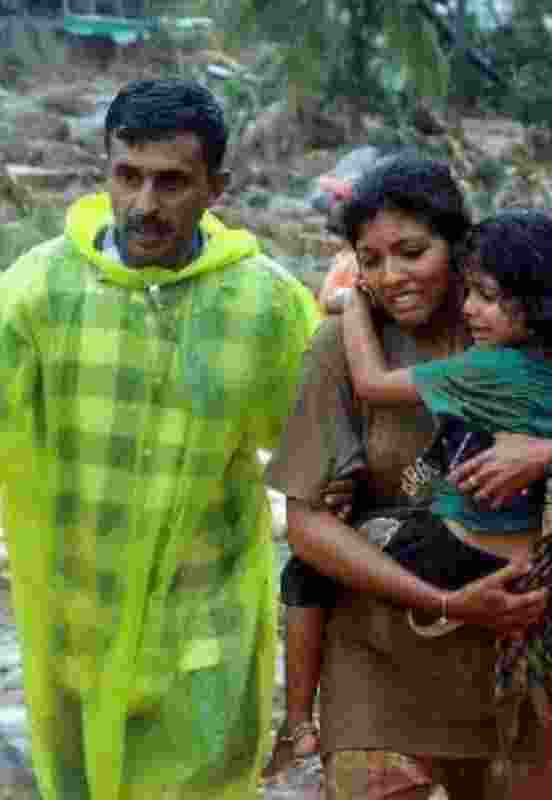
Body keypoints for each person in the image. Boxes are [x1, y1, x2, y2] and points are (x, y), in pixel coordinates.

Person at [264, 157, 552, 798]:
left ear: (461, 247)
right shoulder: (340, 348)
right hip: (382, 651)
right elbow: (305, 526)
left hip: (520, 645)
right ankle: (300, 723)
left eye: (413, 251)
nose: (392, 278)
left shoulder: (538, 347)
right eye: (371, 259)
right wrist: (443, 602)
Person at [0, 79, 320, 799]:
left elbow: (322, 446)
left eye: (172, 181)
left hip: (203, 636)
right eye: (128, 175)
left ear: (217, 187)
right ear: (105, 172)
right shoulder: (36, 292)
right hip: (74, 625)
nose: (145, 203)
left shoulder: (263, 304)